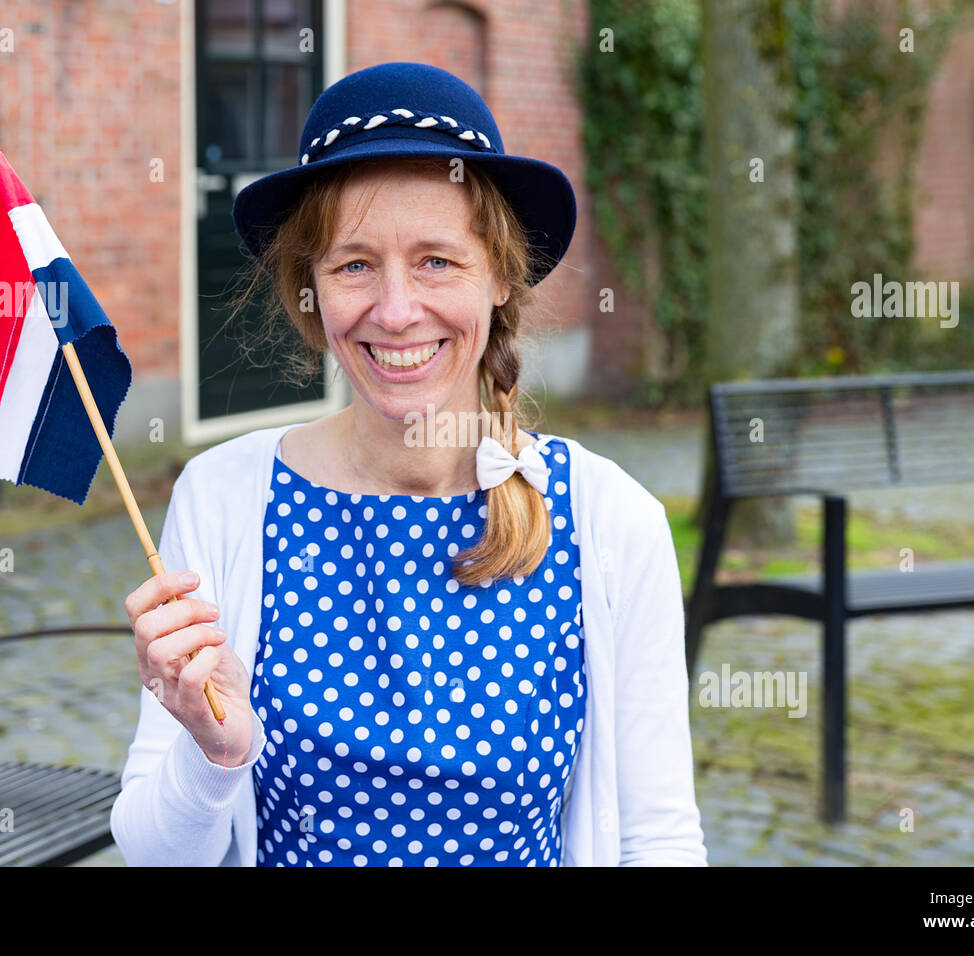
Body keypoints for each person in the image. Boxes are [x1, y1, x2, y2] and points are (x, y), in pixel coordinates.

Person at [111, 61, 707, 866]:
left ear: (499, 275)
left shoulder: (608, 521)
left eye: (437, 260)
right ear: (312, 291)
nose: (395, 312)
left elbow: (658, 839)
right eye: (354, 264)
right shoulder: (224, 500)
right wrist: (215, 748)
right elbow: (156, 855)